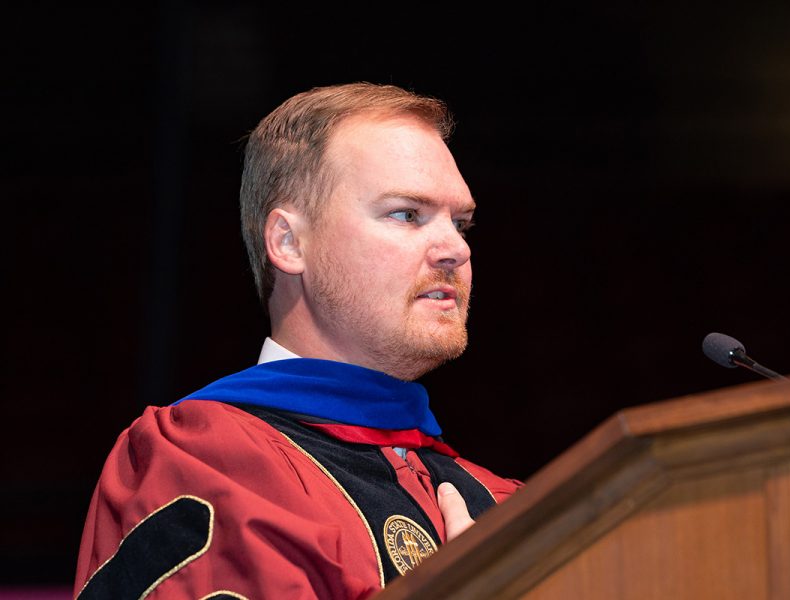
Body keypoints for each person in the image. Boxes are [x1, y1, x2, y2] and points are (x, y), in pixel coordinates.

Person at [74, 82, 522, 599]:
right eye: (407, 214)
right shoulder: (203, 461)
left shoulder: (503, 502)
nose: (453, 249)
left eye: (460, 223)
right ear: (289, 242)